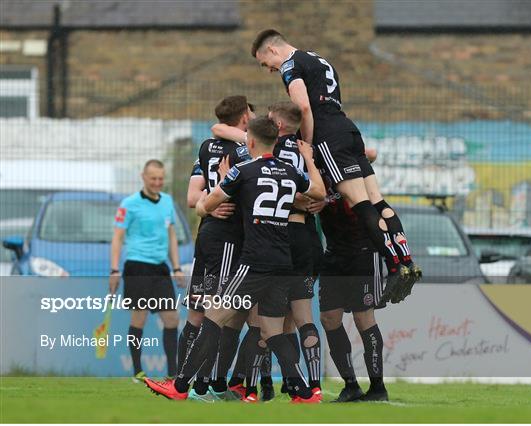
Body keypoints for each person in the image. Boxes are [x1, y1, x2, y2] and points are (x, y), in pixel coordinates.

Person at [145, 116, 325, 403]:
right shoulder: (290, 171)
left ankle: (179, 387)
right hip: (283, 261)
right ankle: (305, 391)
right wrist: (309, 160)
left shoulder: (242, 171)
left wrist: (208, 201)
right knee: (272, 331)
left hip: (253, 264)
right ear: (276, 143)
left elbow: (206, 205)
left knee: (213, 318)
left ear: (250, 141)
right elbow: (318, 192)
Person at [251, 29, 421, 303]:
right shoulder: (320, 60)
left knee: (360, 204)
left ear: (272, 50)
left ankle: (395, 268)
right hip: (349, 130)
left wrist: (307, 145)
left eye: (264, 63)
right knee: (377, 200)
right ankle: (407, 262)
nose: (269, 69)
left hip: (328, 137)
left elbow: (304, 109)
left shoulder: (290, 65)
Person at [211, 101, 323, 401]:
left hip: (272, 238)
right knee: (297, 318)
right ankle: (310, 386)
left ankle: (252, 387)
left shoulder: (258, 157)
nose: (266, 121)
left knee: (257, 320)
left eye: (271, 119)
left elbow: (219, 128)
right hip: (303, 239)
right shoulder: (303, 150)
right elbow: (314, 195)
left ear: (279, 127)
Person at [180, 95, 253, 401]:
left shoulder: (206, 147)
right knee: (218, 314)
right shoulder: (246, 151)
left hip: (206, 235)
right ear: (245, 118)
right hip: (226, 238)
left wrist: (208, 203)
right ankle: (200, 385)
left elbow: (191, 197)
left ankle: (182, 378)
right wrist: (217, 201)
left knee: (198, 313)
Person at [309, 161, 389, 402]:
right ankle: (351, 385)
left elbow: (370, 154)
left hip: (363, 250)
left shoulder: (346, 158)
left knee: (363, 318)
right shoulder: (313, 166)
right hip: (334, 253)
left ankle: (377, 388)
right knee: (328, 318)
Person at [109, 159, 185, 382]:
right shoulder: (129, 204)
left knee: (171, 318)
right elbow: (117, 237)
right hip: (137, 265)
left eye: (161, 179)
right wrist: (114, 270)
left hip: (160, 268)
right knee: (139, 318)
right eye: (153, 178)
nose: (157, 182)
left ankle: (173, 373)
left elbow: (171, 235)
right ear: (143, 177)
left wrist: (177, 267)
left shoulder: (168, 201)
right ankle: (137, 372)